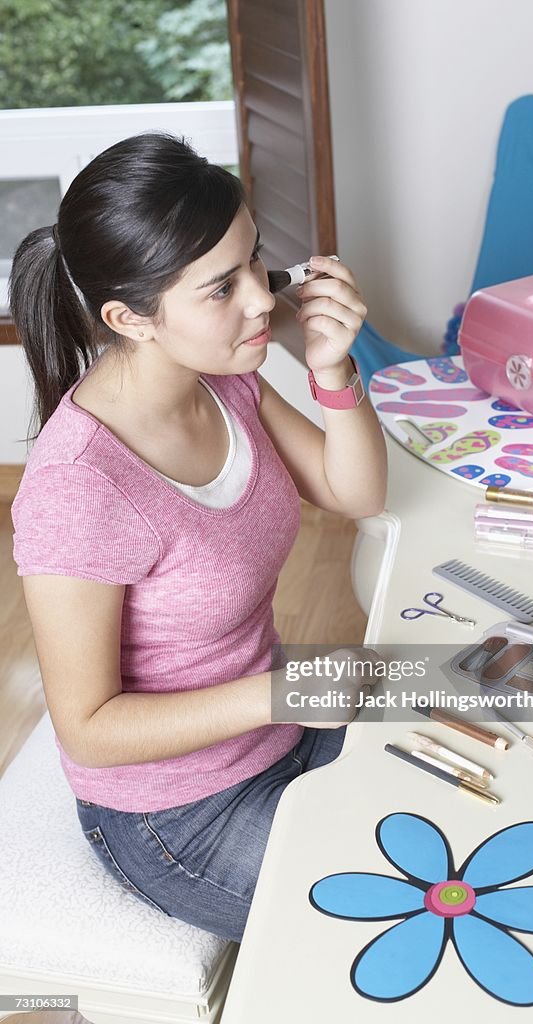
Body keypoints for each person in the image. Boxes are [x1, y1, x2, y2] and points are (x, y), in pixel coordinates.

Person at [9, 132, 387, 941]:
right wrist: (283, 690)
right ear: (128, 319)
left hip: (278, 722)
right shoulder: (79, 486)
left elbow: (352, 490)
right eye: (221, 288)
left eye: (255, 261)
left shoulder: (224, 380)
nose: (261, 299)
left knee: (501, 718)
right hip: (178, 818)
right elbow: (89, 728)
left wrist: (330, 370)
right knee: (412, 914)